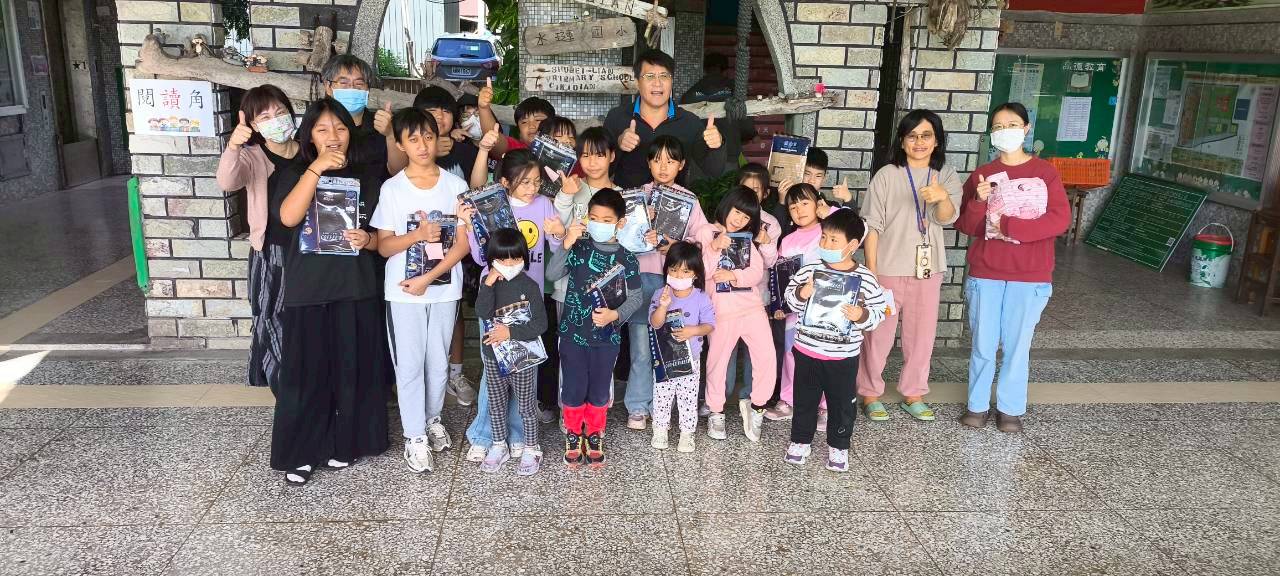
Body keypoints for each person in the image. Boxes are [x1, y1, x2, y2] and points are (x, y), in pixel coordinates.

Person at [268, 97, 391, 485]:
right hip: (309, 289)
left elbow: (379, 237)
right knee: (306, 376)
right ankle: (301, 454)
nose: (333, 136)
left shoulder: (366, 177)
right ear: (310, 136)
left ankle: (346, 444)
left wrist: (367, 240)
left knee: (352, 372)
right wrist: (316, 169)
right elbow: (289, 216)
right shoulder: (294, 172)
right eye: (322, 129)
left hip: (355, 286)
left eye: (340, 128)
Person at [955, 102, 1070, 433]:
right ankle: (977, 405)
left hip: (1030, 275)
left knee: (1018, 346)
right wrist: (978, 202)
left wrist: (1009, 226)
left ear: (1026, 128)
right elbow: (966, 226)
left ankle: (1010, 408)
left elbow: (1059, 219)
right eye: (997, 126)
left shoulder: (1045, 173)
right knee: (983, 343)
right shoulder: (982, 175)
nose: (1004, 131)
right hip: (987, 272)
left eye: (1011, 125)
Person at [371, 108, 473, 473]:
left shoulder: (455, 186)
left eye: (428, 137)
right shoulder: (392, 188)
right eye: (413, 139)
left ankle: (432, 420)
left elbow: (463, 244)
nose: (423, 145)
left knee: (437, 362)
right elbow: (384, 246)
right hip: (404, 293)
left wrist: (429, 278)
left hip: (442, 289)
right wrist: (417, 234)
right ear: (400, 144)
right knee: (410, 364)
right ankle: (414, 436)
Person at [858, 109, 963, 423]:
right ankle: (870, 392)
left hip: (927, 270)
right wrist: (872, 272)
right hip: (888, 268)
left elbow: (946, 218)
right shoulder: (887, 175)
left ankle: (913, 393)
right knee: (878, 334)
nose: (919, 142)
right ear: (902, 141)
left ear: (937, 141)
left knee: (922, 336)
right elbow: (872, 226)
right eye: (912, 135)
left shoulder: (945, 175)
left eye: (926, 135)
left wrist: (942, 197)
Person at [463, 148, 564, 462]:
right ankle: (485, 435)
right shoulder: (494, 206)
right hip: (494, 298)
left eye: (536, 181)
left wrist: (559, 234)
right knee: (493, 371)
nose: (532, 188)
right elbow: (480, 256)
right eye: (524, 182)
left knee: (524, 367)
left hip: (527, 299)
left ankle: (519, 435)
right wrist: (468, 226)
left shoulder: (544, 204)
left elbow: (555, 246)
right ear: (505, 182)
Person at [782, 209, 887, 472]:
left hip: (843, 356)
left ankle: (839, 445)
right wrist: (802, 293)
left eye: (833, 240)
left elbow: (879, 313)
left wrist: (861, 315)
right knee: (804, 400)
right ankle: (800, 441)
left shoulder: (865, 279)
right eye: (824, 238)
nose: (826, 244)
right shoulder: (810, 270)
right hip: (807, 350)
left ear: (852, 245)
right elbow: (790, 300)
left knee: (841, 405)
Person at [545, 189, 642, 468]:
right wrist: (566, 243)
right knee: (573, 387)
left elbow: (636, 297)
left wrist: (615, 315)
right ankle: (574, 433)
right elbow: (552, 274)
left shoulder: (627, 258)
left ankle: (595, 433)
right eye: (594, 218)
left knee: (600, 389)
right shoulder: (579, 248)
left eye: (607, 220)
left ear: (620, 223)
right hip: (572, 335)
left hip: (607, 338)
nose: (599, 224)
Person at [621, 136, 709, 431]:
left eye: (670, 161)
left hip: (676, 285)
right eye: (657, 159)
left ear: (681, 165)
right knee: (641, 348)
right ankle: (638, 406)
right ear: (648, 163)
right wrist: (638, 224)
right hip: (640, 278)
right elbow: (620, 236)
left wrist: (676, 246)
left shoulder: (689, 200)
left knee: (673, 345)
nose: (663, 166)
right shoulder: (636, 197)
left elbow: (702, 238)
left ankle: (665, 406)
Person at [215, 85, 299, 390]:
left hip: (307, 250)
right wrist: (233, 146)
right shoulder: (252, 156)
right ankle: (279, 379)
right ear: (253, 125)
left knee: (301, 315)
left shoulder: (308, 151)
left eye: (280, 111)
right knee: (271, 313)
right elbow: (227, 181)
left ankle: (300, 374)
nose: (275, 119)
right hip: (273, 251)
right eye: (264, 116)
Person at [411, 85, 480, 405]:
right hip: (415, 243)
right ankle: (420, 375)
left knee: (453, 311)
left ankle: (455, 373)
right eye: (431, 110)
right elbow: (394, 172)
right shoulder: (410, 149)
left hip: (456, 246)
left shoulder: (463, 149)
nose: (439, 117)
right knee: (417, 312)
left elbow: (475, 189)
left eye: (445, 111)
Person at [696, 186, 778, 442]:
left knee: (766, 357)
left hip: (752, 308)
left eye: (746, 217)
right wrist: (713, 247)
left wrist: (733, 275)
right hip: (721, 312)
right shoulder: (706, 232)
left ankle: (757, 407)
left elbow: (756, 272)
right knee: (717, 362)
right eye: (737, 212)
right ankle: (716, 412)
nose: (739, 220)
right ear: (726, 206)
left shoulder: (745, 239)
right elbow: (699, 272)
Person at [475, 227, 549, 475]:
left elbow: (541, 324)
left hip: (523, 358)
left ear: (524, 258)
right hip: (493, 356)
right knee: (496, 403)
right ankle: (498, 445)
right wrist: (487, 284)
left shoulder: (530, 286)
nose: (509, 264)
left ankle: (531, 447)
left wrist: (510, 332)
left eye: (515, 258)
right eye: (502, 259)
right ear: (492, 260)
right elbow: (482, 312)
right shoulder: (488, 284)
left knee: (526, 405)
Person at [604, 49, 726, 188]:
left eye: (664, 76)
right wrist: (619, 145)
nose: (657, 83)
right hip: (626, 201)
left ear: (671, 81)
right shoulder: (617, 117)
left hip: (672, 201)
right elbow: (603, 172)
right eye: (650, 76)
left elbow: (714, 170)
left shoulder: (690, 122)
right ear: (637, 82)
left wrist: (718, 145)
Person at [720, 164, 782, 415]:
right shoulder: (728, 219)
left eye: (756, 190)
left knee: (755, 352)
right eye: (745, 188)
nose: (750, 194)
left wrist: (765, 243)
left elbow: (771, 262)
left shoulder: (770, 223)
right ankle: (720, 397)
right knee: (726, 351)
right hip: (726, 300)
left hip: (757, 297)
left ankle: (750, 398)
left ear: (765, 194)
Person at [766, 183, 828, 424]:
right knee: (792, 354)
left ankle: (825, 406)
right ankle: (789, 400)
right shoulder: (788, 241)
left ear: (817, 204)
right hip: (795, 310)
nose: (799, 210)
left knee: (824, 356)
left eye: (805, 203)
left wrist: (830, 212)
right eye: (793, 207)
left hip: (825, 310)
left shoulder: (829, 230)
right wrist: (779, 306)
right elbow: (780, 277)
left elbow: (856, 229)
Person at [648, 241, 716, 452]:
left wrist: (692, 331)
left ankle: (687, 433)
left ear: (695, 274)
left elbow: (709, 325)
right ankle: (660, 429)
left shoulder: (701, 297)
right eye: (674, 270)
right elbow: (655, 323)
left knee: (688, 398)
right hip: (665, 358)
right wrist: (663, 306)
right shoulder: (660, 294)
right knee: (662, 396)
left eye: (685, 271)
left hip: (691, 358)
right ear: (666, 269)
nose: (678, 275)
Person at [319, 54, 394, 172]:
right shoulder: (315, 125)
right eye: (344, 83)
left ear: (368, 89)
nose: (352, 88)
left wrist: (391, 135)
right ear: (328, 87)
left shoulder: (383, 126)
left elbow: (397, 171)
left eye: (359, 84)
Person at [680, 52, 756, 167]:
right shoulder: (736, 92)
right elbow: (747, 126)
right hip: (729, 156)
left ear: (705, 70)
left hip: (698, 159)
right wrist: (751, 135)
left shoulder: (689, 94)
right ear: (726, 70)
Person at [772, 147, 852, 234]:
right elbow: (775, 233)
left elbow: (852, 231)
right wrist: (782, 202)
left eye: (818, 176)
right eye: (807, 174)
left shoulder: (830, 206)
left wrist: (848, 200)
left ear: (824, 178)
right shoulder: (785, 202)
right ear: (798, 173)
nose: (812, 180)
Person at [477, 76, 555, 157]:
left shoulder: (562, 149)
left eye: (538, 120)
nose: (531, 126)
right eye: (524, 122)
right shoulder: (516, 150)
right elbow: (496, 142)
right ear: (519, 133)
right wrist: (484, 108)